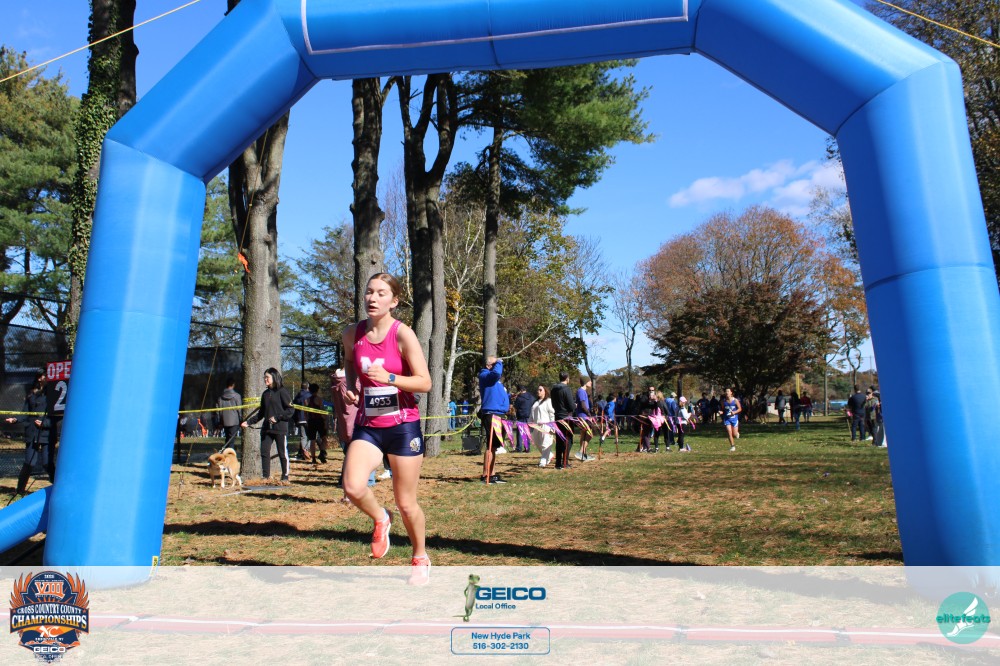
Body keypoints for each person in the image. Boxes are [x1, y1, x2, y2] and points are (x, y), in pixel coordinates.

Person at [341, 273, 432, 584]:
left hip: (402, 426)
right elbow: (350, 361)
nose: (372, 298)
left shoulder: (402, 334)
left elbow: (425, 382)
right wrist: (352, 385)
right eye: (369, 292)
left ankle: (420, 556)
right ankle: (381, 518)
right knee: (353, 487)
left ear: (394, 301)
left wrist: (391, 378)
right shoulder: (352, 333)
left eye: (381, 293)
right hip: (369, 425)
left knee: (406, 502)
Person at [241, 367, 294, 483]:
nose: (265, 379)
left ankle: (285, 476)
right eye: (264, 377)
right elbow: (261, 413)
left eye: (267, 377)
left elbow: (290, 410)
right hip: (267, 429)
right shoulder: (265, 394)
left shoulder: (282, 391)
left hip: (280, 428)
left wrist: (278, 417)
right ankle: (266, 476)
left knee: (282, 453)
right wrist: (248, 422)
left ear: (274, 377)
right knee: (264, 452)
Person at [4, 381, 48, 495]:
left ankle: (58, 488)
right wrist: (15, 419)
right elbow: (25, 412)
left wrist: (45, 423)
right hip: (32, 432)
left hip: (46, 432)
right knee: (29, 462)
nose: (41, 379)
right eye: (39, 377)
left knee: (47, 463)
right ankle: (20, 490)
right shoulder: (31, 394)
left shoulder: (52, 393)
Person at [478, 356, 510, 484]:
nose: (497, 365)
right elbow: (496, 373)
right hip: (491, 414)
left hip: (499, 414)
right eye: (494, 363)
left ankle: (492, 473)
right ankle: (485, 475)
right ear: (488, 365)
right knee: (490, 446)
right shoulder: (485, 375)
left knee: (494, 447)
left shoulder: (495, 381)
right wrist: (499, 362)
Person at [550, 372, 576, 469]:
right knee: (568, 440)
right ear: (567, 378)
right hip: (566, 417)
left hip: (557, 416)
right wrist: (574, 406)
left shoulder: (553, 389)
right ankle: (565, 462)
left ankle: (558, 463)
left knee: (559, 440)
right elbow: (571, 406)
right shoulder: (566, 389)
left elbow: (553, 404)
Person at [530, 385, 556, 467]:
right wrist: (529, 422)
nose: (538, 391)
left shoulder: (548, 401)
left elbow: (552, 414)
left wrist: (552, 426)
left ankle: (543, 461)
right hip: (536, 426)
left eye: (540, 390)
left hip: (546, 426)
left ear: (545, 391)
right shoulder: (536, 402)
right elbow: (531, 414)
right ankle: (549, 455)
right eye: (538, 390)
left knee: (545, 443)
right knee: (537, 443)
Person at [216, 377, 243, 452]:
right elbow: (239, 409)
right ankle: (229, 455)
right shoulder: (237, 396)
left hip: (225, 421)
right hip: (235, 421)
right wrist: (241, 419)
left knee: (228, 439)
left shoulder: (220, 397)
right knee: (231, 441)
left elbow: (218, 411)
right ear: (233, 385)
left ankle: (226, 453)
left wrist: (220, 421)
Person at [305, 382, 329, 463]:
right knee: (324, 438)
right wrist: (325, 419)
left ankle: (314, 458)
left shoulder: (306, 400)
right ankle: (322, 452)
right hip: (319, 421)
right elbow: (322, 411)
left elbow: (305, 413)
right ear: (317, 390)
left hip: (311, 421)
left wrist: (307, 421)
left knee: (312, 440)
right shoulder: (319, 399)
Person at [574, 377, 594, 461]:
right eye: (589, 381)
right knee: (589, 434)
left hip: (583, 416)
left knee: (584, 434)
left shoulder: (582, 391)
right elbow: (582, 405)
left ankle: (583, 454)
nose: (591, 382)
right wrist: (589, 415)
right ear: (585, 382)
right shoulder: (581, 391)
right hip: (583, 416)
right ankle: (581, 452)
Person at [292, 382, 312, 461]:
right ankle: (306, 449)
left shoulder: (297, 397)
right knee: (313, 435)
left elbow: (293, 407)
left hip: (300, 419)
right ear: (308, 387)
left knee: (303, 436)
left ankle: (304, 451)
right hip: (308, 418)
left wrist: (295, 419)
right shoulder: (310, 395)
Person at [513, 385, 535, 453]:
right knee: (527, 433)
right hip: (529, 417)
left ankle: (519, 448)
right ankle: (527, 448)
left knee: (520, 433)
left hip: (521, 416)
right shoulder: (531, 397)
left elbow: (515, 407)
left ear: (520, 390)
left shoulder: (519, 398)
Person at [720, 387, 742, 452]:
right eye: (726, 391)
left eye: (728, 391)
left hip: (734, 419)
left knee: (734, 434)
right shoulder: (723, 401)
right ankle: (732, 446)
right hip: (727, 419)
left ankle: (737, 433)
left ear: (731, 393)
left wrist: (734, 412)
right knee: (729, 432)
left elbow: (740, 409)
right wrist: (721, 412)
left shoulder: (735, 400)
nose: (727, 392)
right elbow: (723, 409)